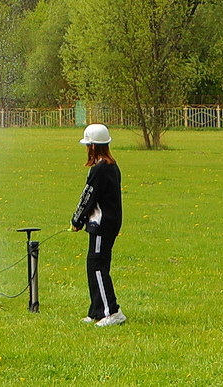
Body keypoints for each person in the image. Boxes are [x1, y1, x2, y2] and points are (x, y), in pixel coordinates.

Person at [69, 122, 125, 325]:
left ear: (92, 146)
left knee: (98, 267)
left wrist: (77, 220)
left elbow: (88, 197)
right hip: (108, 224)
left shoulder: (100, 169)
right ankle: (96, 311)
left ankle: (112, 312)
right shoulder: (111, 166)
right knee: (93, 265)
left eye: (87, 145)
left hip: (102, 225)